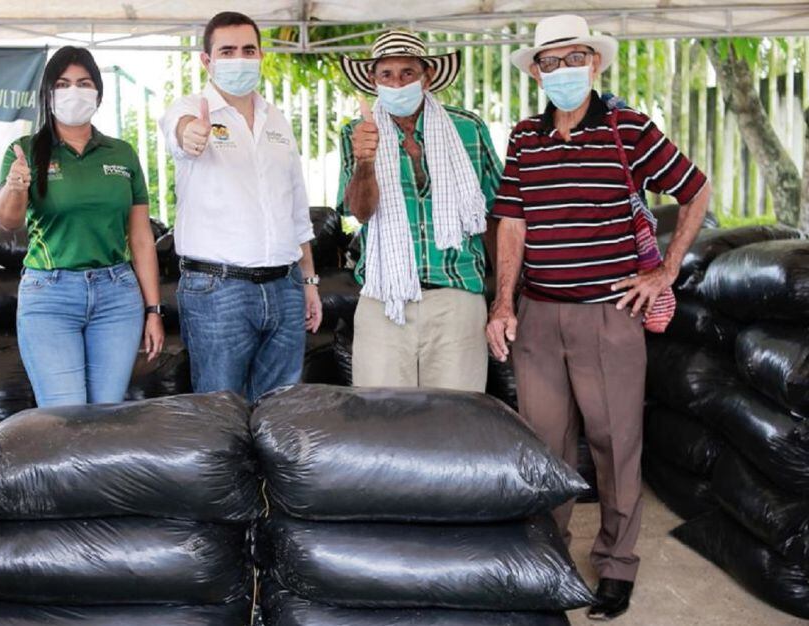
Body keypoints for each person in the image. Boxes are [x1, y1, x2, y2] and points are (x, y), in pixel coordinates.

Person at [486, 15, 711, 620]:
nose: (563, 71)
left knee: (615, 443)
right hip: (537, 316)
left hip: (608, 317)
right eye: (550, 61)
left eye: (575, 57)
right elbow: (513, 220)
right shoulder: (525, 138)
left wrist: (664, 270)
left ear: (596, 63)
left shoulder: (629, 128)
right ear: (536, 70)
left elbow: (694, 189)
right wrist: (504, 303)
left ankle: (616, 564)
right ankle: (550, 557)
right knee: (546, 445)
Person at [158, 11, 321, 403]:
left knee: (279, 415)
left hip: (285, 287)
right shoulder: (191, 108)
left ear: (262, 56)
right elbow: (178, 130)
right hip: (219, 290)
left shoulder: (277, 120)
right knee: (221, 415)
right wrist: (191, 134)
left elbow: (297, 210)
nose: (239, 59)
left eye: (248, 50)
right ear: (206, 61)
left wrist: (310, 283)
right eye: (227, 51)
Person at [0, 46, 164, 407]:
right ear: (48, 93)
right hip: (50, 294)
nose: (74, 91)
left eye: (84, 83)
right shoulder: (24, 150)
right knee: (65, 415)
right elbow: (8, 221)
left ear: (98, 93)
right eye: (63, 83)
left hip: (117, 295)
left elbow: (140, 238)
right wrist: (15, 186)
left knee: (105, 413)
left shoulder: (121, 153)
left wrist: (154, 310)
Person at [338, 31, 502, 391]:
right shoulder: (358, 132)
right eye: (386, 74)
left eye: (407, 73)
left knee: (454, 422)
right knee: (381, 422)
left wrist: (504, 299)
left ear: (426, 76)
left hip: (457, 295)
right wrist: (365, 162)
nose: (397, 83)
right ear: (373, 80)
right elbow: (360, 213)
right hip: (384, 298)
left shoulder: (468, 128)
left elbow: (496, 214)